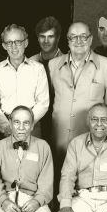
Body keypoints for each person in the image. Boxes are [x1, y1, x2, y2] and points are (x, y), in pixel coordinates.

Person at [49, 21, 107, 169]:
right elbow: (52, 98)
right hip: (59, 138)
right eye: (73, 37)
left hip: (90, 138)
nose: (78, 41)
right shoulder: (53, 65)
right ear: (67, 41)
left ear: (91, 39)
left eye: (83, 36)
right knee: (59, 182)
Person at [0, 24, 49, 139]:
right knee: (5, 157)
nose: (14, 47)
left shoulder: (38, 69)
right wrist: (8, 127)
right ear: (4, 46)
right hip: (5, 129)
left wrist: (26, 125)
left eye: (18, 42)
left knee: (33, 157)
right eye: (9, 43)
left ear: (26, 43)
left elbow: (43, 103)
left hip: (32, 127)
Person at [30, 16, 63, 144]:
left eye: (50, 36)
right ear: (38, 38)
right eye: (42, 36)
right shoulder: (30, 62)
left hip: (59, 123)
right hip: (36, 122)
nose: (46, 41)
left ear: (58, 38)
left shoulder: (67, 63)